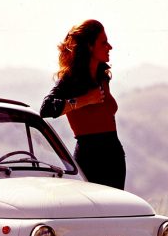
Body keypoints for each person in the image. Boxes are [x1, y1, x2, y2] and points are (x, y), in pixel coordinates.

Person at [40, 19, 125, 190]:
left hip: (114, 157)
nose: (110, 47)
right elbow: (46, 109)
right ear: (89, 46)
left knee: (116, 213)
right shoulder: (70, 80)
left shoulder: (102, 78)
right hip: (90, 159)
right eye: (103, 42)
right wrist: (84, 100)